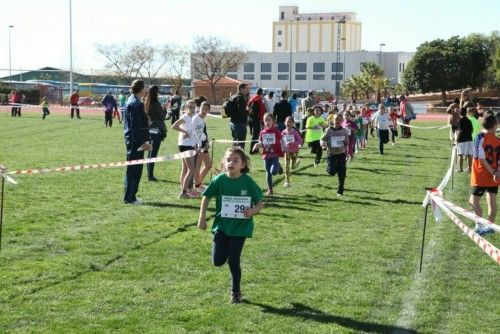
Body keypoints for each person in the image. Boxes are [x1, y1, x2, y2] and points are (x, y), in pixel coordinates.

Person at [197, 146, 264, 304]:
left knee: (233, 260)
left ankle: (236, 292)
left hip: (240, 228)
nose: (231, 163)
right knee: (218, 261)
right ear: (223, 163)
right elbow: (206, 197)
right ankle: (225, 247)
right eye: (228, 160)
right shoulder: (219, 179)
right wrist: (202, 218)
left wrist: (252, 211)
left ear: (243, 164)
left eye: (235, 160)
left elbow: (260, 204)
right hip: (221, 227)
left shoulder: (247, 181)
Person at [469, 112, 500, 235]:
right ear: (495, 126)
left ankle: (479, 225)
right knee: (492, 201)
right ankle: (490, 226)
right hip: (494, 176)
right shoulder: (498, 140)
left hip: (481, 175)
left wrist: (493, 171)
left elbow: (480, 158)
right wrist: (497, 171)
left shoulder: (480, 137)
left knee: (473, 201)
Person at [123, 79, 151, 204]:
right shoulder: (135, 103)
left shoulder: (132, 100)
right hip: (136, 142)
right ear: (141, 89)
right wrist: (142, 143)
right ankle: (130, 197)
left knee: (132, 169)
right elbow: (135, 126)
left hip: (132, 140)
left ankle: (130, 195)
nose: (146, 90)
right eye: (145, 88)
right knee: (135, 169)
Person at [172, 100, 198, 198]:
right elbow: (174, 126)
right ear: (186, 108)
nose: (192, 109)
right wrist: (184, 132)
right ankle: (183, 193)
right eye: (190, 107)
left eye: (194, 107)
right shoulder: (185, 117)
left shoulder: (193, 117)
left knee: (185, 168)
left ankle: (183, 188)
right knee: (191, 169)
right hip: (185, 145)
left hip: (189, 144)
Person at [252, 113, 283, 195]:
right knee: (268, 172)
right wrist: (256, 145)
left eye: (269, 120)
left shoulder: (276, 131)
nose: (267, 122)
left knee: (273, 172)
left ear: (273, 121)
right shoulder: (262, 133)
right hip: (266, 155)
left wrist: (285, 146)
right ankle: (270, 189)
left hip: (275, 154)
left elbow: (282, 139)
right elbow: (261, 143)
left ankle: (278, 166)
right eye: (265, 120)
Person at [321, 113, 350, 196]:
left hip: (341, 154)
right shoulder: (329, 130)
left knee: (342, 172)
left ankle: (340, 189)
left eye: (339, 120)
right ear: (332, 120)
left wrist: (346, 142)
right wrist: (323, 145)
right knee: (331, 172)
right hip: (331, 154)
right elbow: (322, 139)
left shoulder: (344, 131)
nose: (337, 121)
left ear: (342, 121)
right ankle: (333, 168)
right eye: (336, 119)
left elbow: (347, 141)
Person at [144, 85, 167, 182]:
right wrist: (165, 109)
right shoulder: (156, 103)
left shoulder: (146, 102)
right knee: (153, 153)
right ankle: (150, 175)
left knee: (150, 152)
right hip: (156, 131)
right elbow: (161, 117)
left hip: (149, 130)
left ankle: (149, 173)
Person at [192, 101, 213, 191]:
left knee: (208, 165)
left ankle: (198, 183)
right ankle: (197, 185)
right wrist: (198, 145)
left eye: (206, 109)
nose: (204, 110)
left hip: (203, 144)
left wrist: (207, 142)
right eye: (202, 108)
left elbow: (203, 132)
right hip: (197, 145)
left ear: (208, 110)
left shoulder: (202, 118)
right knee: (198, 165)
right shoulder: (195, 118)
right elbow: (194, 132)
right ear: (199, 108)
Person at [281, 116, 303, 187]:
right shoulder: (283, 132)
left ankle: (296, 163)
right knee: (286, 166)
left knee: (292, 167)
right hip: (287, 151)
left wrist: (294, 143)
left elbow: (300, 141)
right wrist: (282, 147)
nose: (288, 123)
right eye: (287, 122)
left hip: (295, 151)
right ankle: (287, 181)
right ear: (285, 123)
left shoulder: (295, 132)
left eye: (290, 122)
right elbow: (281, 141)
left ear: (293, 124)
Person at [229, 83, 250, 149]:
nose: (248, 90)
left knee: (235, 141)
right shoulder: (240, 98)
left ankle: (233, 156)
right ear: (241, 89)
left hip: (232, 122)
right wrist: (247, 111)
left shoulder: (233, 97)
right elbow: (241, 112)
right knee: (240, 143)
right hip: (240, 123)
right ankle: (240, 158)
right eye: (246, 88)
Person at [247, 88, 266, 154]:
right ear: (261, 93)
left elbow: (247, 108)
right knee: (256, 135)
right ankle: (253, 150)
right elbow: (262, 111)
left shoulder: (251, 98)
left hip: (250, 119)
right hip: (257, 120)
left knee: (254, 135)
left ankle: (255, 149)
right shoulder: (260, 100)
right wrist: (263, 121)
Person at [455, 108, 474, 173]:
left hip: (462, 140)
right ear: (466, 113)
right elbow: (472, 130)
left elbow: (460, 131)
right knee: (469, 155)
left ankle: (460, 169)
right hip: (470, 139)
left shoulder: (460, 120)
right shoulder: (469, 120)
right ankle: (470, 169)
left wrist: (456, 139)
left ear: (459, 113)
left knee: (460, 154)